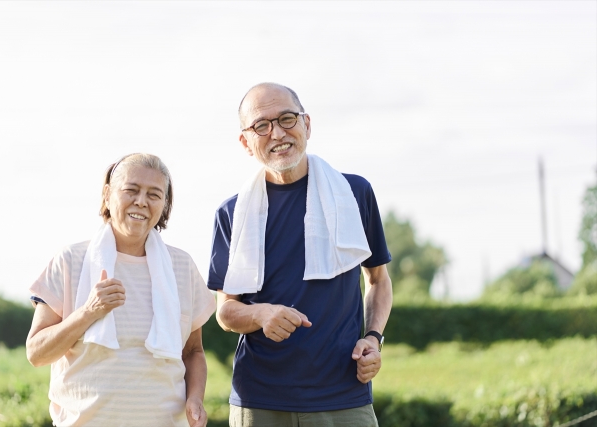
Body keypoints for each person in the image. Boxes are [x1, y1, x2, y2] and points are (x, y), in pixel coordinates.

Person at [207, 83, 393, 426]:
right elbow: (226, 311)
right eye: (261, 125)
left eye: (287, 119)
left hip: (344, 397)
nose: (277, 132)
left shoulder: (355, 193)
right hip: (259, 400)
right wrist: (262, 314)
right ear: (246, 142)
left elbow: (378, 280)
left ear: (307, 124)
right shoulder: (231, 213)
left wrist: (373, 338)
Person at [26, 153, 216, 427]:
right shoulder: (70, 260)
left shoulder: (182, 266)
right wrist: (88, 312)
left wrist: (195, 398)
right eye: (131, 190)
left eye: (154, 194)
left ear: (164, 205)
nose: (141, 201)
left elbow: (193, 352)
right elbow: (37, 353)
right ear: (107, 195)